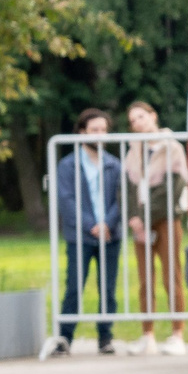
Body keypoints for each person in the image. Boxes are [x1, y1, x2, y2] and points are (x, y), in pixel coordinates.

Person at [49, 109, 124, 356]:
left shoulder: (114, 164)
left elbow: (121, 198)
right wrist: (91, 225)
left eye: (104, 129)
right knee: (74, 287)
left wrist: (108, 224)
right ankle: (65, 337)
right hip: (80, 235)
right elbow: (67, 200)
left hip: (110, 234)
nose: (100, 134)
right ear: (82, 132)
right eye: (95, 130)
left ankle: (105, 337)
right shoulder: (68, 164)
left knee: (108, 288)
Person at [123, 100, 188, 356]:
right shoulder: (133, 150)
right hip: (141, 222)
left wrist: (145, 215)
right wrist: (134, 216)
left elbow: (172, 188)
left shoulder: (171, 148)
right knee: (145, 278)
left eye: (141, 117)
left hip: (166, 219)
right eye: (133, 121)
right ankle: (147, 334)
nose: (138, 123)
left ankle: (177, 333)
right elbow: (130, 186)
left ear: (153, 116)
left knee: (171, 275)